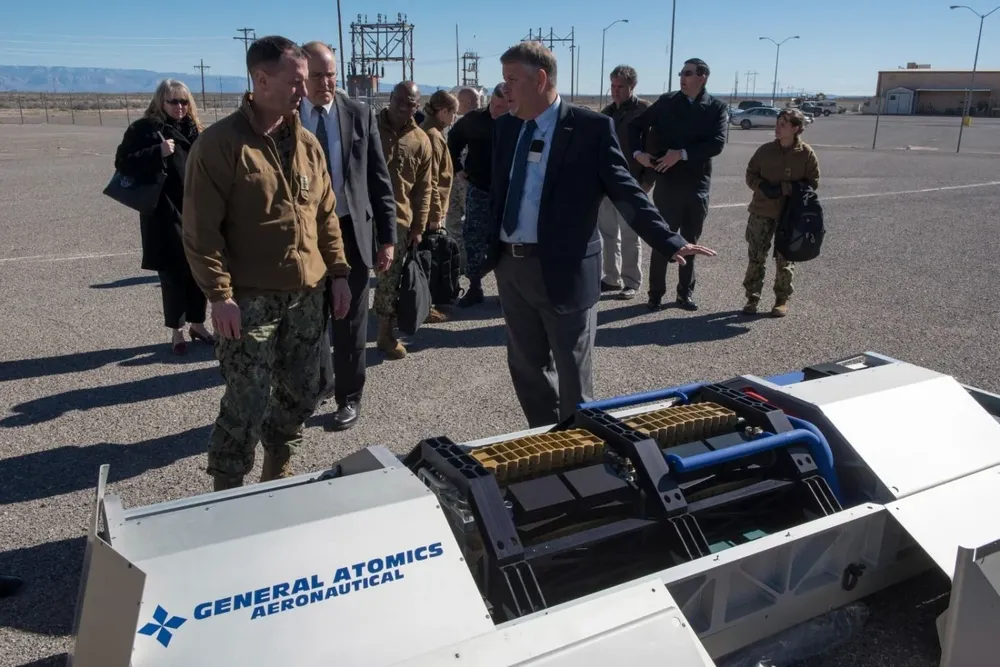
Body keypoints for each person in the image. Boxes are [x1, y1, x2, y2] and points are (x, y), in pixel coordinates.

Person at [488, 42, 717, 428]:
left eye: (512, 79)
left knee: (573, 373)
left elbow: (626, 190)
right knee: (526, 369)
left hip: (566, 268)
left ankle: (580, 448)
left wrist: (668, 239)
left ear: (540, 79)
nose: (504, 89)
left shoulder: (589, 128)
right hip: (512, 266)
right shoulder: (507, 127)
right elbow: (498, 191)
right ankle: (545, 440)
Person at [182, 35, 352, 491]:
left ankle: (277, 470)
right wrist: (220, 296)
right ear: (260, 79)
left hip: (307, 296)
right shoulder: (220, 145)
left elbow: (325, 215)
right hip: (250, 300)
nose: (305, 89)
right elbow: (200, 232)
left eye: (307, 80)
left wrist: (338, 273)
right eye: (296, 81)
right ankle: (228, 490)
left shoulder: (308, 144)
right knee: (247, 401)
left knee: (303, 392)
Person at [299, 41, 397, 431]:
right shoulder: (286, 117)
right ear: (302, 76)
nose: (326, 83)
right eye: (317, 76)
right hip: (303, 237)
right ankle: (318, 386)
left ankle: (350, 397)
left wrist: (387, 237)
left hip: (350, 231)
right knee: (310, 319)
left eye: (331, 75)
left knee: (351, 320)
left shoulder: (357, 113)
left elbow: (378, 177)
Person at [114, 79, 214, 354]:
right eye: (173, 101)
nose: (180, 107)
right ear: (161, 102)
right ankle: (176, 331)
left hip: (195, 210)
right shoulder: (144, 129)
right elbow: (123, 163)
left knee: (198, 270)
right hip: (163, 212)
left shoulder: (195, 129)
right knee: (172, 273)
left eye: (184, 101)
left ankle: (198, 324)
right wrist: (156, 152)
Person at [630, 58, 728, 312]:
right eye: (681, 73)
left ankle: (685, 294)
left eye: (688, 73)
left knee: (691, 240)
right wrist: (638, 153)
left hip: (697, 184)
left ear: (702, 77)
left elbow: (717, 143)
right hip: (668, 182)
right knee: (663, 238)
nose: (682, 78)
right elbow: (635, 126)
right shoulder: (667, 102)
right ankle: (655, 294)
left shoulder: (716, 107)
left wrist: (681, 154)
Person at [373, 81, 434, 360]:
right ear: (390, 98)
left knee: (389, 281)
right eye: (398, 100)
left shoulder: (421, 140)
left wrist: (419, 225)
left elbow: (424, 187)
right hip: (362, 216)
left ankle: (385, 334)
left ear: (417, 106)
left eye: (410, 103)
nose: (402, 107)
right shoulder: (369, 128)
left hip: (397, 220)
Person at [742, 108, 820, 318]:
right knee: (756, 256)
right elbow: (750, 174)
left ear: (796, 128)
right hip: (761, 211)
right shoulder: (764, 151)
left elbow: (813, 183)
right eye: (777, 123)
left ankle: (781, 299)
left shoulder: (806, 154)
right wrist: (762, 186)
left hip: (790, 215)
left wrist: (786, 188)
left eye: (783, 124)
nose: (777, 128)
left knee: (785, 258)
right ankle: (752, 297)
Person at [447, 83, 509, 307]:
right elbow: (452, 142)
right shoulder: (473, 120)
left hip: (509, 193)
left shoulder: (518, 122)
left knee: (507, 242)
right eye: (493, 104)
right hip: (480, 189)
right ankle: (474, 287)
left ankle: (508, 291)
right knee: (473, 237)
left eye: (501, 107)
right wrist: (457, 168)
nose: (495, 110)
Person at [598, 65, 655, 301]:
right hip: (606, 184)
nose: (615, 90)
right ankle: (611, 277)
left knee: (631, 235)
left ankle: (631, 281)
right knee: (608, 234)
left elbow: (653, 148)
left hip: (633, 183)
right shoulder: (607, 113)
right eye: (612, 85)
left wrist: (646, 183)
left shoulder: (644, 111)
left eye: (620, 86)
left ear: (632, 86)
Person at [420, 90, 460, 322]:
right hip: (430, 211)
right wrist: (435, 213)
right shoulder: (433, 136)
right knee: (429, 259)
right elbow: (432, 179)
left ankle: (424, 304)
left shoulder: (431, 131)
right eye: (453, 113)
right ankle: (424, 306)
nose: (454, 118)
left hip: (428, 208)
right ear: (443, 112)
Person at [443, 87, 483, 275]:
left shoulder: (472, 123)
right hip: (462, 181)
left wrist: (460, 171)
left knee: (466, 225)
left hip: (468, 183)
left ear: (466, 102)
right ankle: (461, 262)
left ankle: (466, 263)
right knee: (456, 223)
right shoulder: (470, 122)